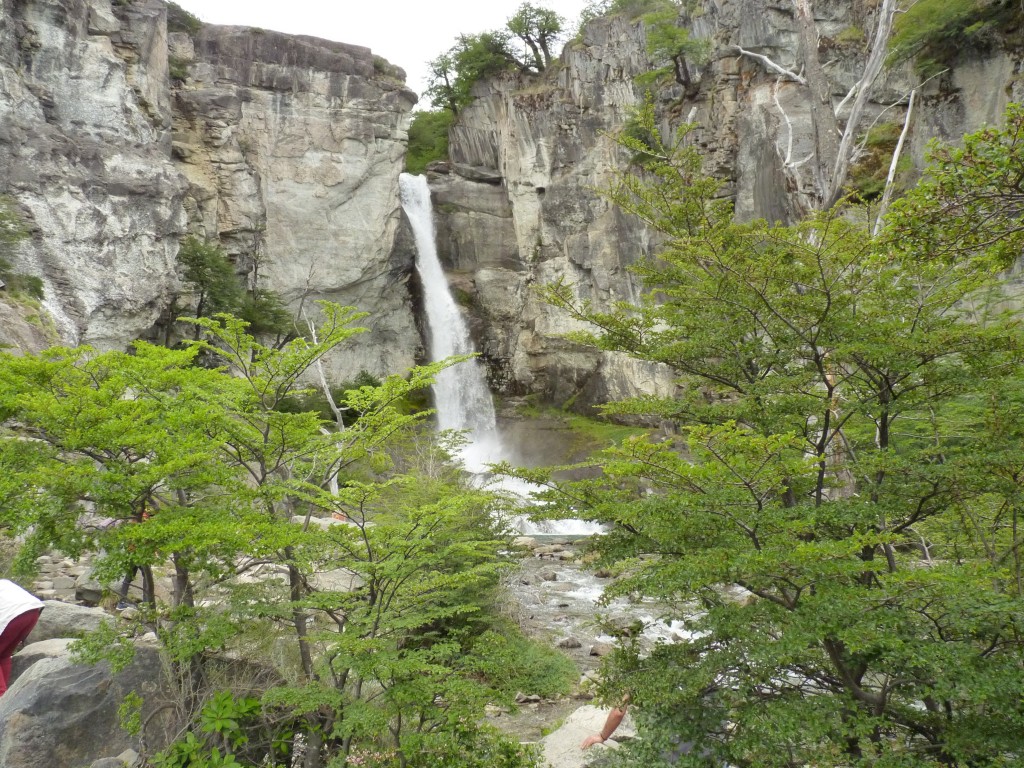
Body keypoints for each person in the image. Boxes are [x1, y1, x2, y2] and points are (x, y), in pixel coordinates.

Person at [0, 579, 44, 696]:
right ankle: (6, 696)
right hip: (33, 612)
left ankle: (1, 696)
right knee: (4, 655)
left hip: (13, 616)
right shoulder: (3, 582)